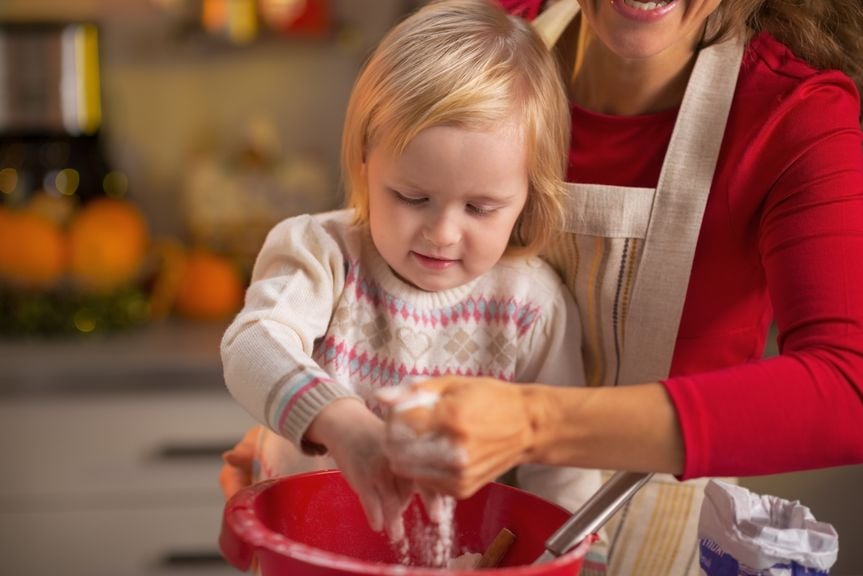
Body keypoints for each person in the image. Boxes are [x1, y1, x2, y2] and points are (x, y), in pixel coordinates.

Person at [378, 0, 863, 574]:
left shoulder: (792, 115)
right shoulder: (486, 43)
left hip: (655, 537)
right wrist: (314, 420)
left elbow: (848, 388)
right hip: (429, 517)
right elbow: (375, 263)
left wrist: (533, 424)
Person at [219, 0, 601, 549]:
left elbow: (561, 471)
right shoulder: (323, 254)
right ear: (365, 161)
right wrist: (341, 422)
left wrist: (567, 559)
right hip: (310, 551)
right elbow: (252, 345)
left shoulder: (531, 307)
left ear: (528, 197)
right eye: (412, 197)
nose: (443, 232)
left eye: (480, 208)